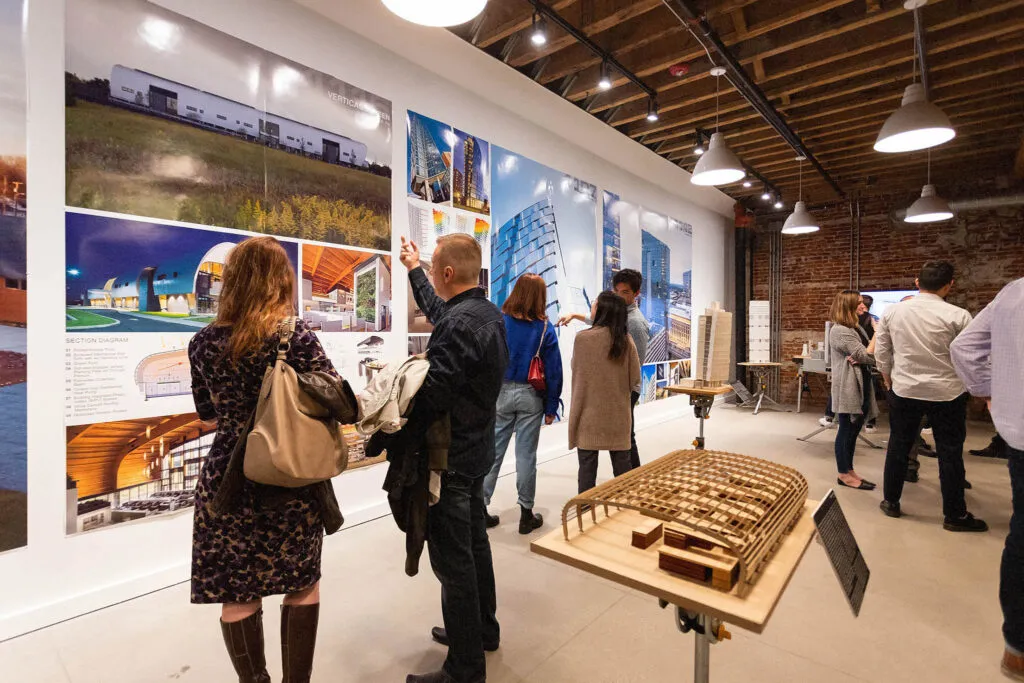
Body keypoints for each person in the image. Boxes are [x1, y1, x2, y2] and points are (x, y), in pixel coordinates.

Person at [189, 237, 342, 683]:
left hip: (229, 479)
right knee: (301, 584)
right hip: (290, 477)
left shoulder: (202, 343)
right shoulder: (294, 335)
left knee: (237, 595)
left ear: (233, 282)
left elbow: (206, 412)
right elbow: (331, 392)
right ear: (280, 281)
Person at [400, 234, 509, 683]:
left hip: (452, 458)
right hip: (477, 450)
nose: (429, 277)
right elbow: (442, 313)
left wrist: (398, 398)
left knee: (453, 561)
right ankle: (481, 631)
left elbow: (436, 391)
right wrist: (411, 266)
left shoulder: (460, 324)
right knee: (475, 546)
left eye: (430, 271)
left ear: (447, 274)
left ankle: (464, 668)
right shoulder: (485, 313)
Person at [875, 261, 987, 532]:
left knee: (899, 446)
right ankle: (955, 515)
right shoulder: (958, 315)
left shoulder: (893, 311)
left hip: (905, 389)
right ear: (950, 285)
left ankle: (891, 501)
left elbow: (882, 349)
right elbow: (969, 355)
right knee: (950, 453)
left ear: (916, 282)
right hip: (947, 393)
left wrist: (887, 376)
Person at [950, 277, 1024, 680]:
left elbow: (965, 348)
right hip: (940, 394)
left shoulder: (1014, 293)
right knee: (946, 454)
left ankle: (1017, 647)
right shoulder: (956, 313)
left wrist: (992, 393)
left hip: (1020, 434)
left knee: (1022, 534)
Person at [483, 273, 562, 534]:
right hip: (531, 395)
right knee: (526, 456)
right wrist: (551, 408)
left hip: (500, 392)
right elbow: (554, 371)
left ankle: (479, 509)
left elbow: (488, 359)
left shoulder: (499, 322)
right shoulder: (544, 328)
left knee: (492, 453)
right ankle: (526, 515)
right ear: (540, 297)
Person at [559, 269, 650, 469]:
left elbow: (636, 367)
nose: (619, 296)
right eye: (616, 290)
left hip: (622, 389)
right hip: (610, 388)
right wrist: (574, 315)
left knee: (626, 438)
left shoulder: (635, 323)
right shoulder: (615, 315)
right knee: (622, 438)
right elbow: (598, 321)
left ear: (636, 294)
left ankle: (632, 481)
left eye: (625, 292)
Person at [568, 291, 641, 493]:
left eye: (593, 304)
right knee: (623, 475)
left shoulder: (582, 339)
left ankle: (585, 517)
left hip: (587, 417)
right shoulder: (626, 341)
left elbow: (576, 368)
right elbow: (635, 380)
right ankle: (625, 515)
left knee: (586, 475)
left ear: (601, 311)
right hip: (618, 418)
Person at [828, 291, 877, 490]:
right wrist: (879, 332)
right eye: (859, 303)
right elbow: (865, 355)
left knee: (854, 430)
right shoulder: (840, 330)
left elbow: (869, 355)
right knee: (846, 430)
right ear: (848, 306)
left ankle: (849, 470)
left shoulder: (854, 327)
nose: (864, 307)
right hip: (848, 387)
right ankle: (843, 473)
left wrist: (866, 355)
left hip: (860, 383)